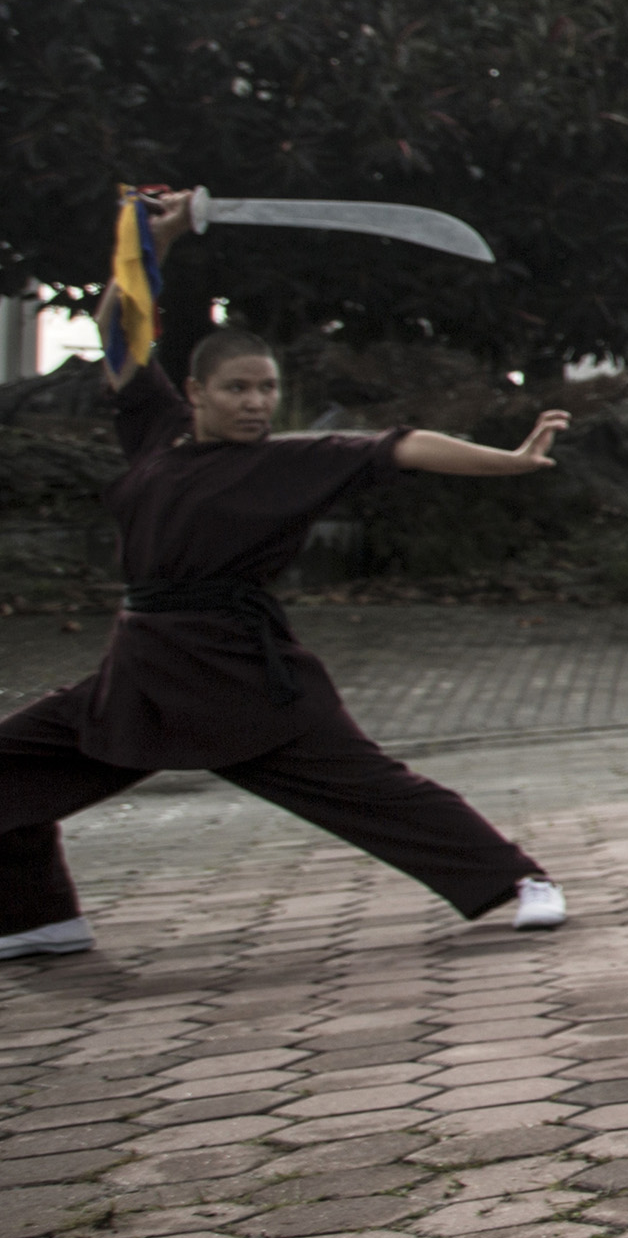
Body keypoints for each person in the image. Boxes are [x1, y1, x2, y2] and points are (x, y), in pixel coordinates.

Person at [0, 189, 569, 962]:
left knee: (369, 788)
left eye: (267, 388)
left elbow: (401, 445)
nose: (256, 403)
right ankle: (39, 919)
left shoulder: (290, 463)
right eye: (238, 388)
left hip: (237, 671)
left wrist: (507, 462)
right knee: (13, 767)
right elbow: (122, 331)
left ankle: (523, 882)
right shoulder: (156, 435)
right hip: (139, 671)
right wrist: (153, 242)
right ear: (196, 393)